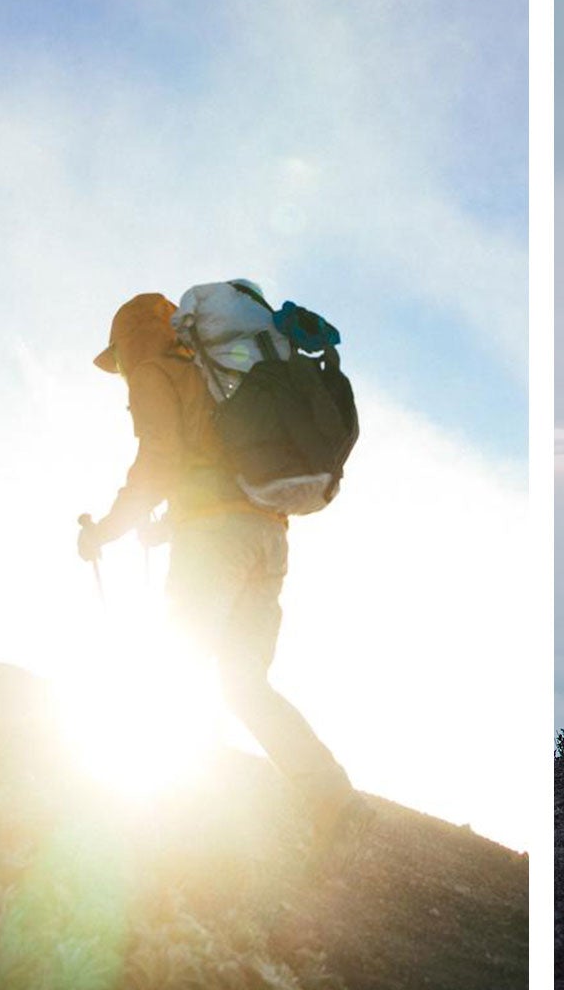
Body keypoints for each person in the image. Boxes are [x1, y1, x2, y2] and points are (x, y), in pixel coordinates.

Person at [78, 291, 365, 836]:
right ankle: (335, 801)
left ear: (131, 340)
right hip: (267, 535)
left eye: (116, 356)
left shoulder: (153, 372)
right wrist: (166, 527)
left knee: (175, 660)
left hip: (215, 539)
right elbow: (215, 465)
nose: (118, 369)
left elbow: (159, 461)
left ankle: (167, 813)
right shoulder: (217, 377)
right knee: (242, 681)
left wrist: (106, 531)